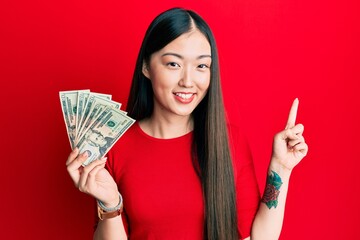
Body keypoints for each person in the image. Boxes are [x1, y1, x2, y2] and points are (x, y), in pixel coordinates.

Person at [66, 7, 308, 240]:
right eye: (174, 64)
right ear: (146, 67)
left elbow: (258, 237)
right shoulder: (115, 146)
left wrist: (281, 168)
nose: (188, 81)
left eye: (202, 66)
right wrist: (110, 204)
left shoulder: (229, 141)